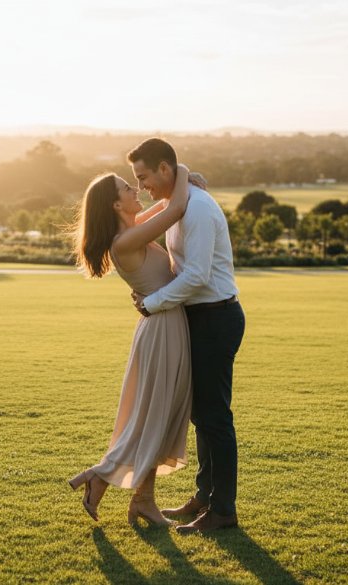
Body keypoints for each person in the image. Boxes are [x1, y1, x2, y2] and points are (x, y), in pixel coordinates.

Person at [68, 163, 198, 527]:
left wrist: (181, 185)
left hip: (165, 325)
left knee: (161, 416)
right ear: (115, 205)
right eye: (128, 186)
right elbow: (173, 210)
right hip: (162, 330)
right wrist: (182, 171)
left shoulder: (132, 232)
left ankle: (142, 500)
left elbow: (164, 209)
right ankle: (103, 475)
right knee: (154, 417)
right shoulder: (125, 241)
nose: (136, 189)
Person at [129, 138, 245, 534]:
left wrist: (152, 302)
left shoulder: (195, 208)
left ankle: (223, 510)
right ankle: (205, 495)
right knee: (202, 415)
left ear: (164, 169)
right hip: (200, 319)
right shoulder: (181, 200)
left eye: (143, 177)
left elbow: (196, 276)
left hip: (216, 318)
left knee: (214, 418)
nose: (142, 187)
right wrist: (184, 173)